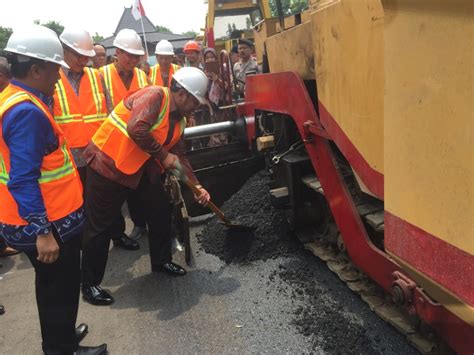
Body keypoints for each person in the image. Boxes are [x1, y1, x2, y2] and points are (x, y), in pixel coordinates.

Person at [0, 24, 106, 355]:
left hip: (38, 219)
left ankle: (59, 336)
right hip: (48, 223)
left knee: (50, 286)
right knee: (59, 288)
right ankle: (61, 349)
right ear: (34, 69)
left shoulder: (14, 98)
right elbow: (23, 178)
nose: (59, 77)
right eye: (54, 69)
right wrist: (42, 232)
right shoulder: (26, 112)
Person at [81, 67, 211, 306]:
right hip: (108, 164)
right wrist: (162, 155)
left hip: (138, 169)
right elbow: (136, 129)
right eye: (195, 101)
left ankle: (161, 261)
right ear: (181, 93)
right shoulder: (154, 96)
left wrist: (197, 185)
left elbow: (180, 155)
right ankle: (89, 284)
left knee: (160, 210)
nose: (197, 107)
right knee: (100, 225)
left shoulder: (180, 120)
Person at [100, 28, 151, 249]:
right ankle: (117, 234)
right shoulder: (101, 75)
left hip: (137, 141)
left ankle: (140, 222)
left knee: (139, 186)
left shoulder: (142, 76)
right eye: (127, 54)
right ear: (117, 53)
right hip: (113, 142)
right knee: (113, 193)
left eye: (136, 56)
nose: (132, 59)